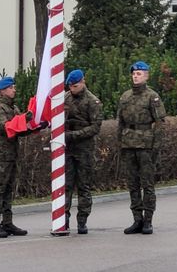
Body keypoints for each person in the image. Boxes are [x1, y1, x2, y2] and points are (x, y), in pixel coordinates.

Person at [0, 76, 45, 238]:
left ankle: (7, 223)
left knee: (8, 189)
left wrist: (36, 127)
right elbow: (6, 127)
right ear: (3, 90)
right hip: (1, 155)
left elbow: (20, 129)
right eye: (11, 87)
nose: (14, 90)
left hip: (12, 154)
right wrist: (24, 119)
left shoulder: (14, 108)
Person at [117, 61, 166, 235]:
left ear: (146, 76)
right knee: (133, 184)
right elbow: (120, 122)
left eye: (139, 73)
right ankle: (137, 219)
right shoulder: (125, 96)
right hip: (129, 144)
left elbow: (160, 123)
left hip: (146, 145)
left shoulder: (152, 97)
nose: (136, 76)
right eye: (134, 73)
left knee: (147, 184)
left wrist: (156, 147)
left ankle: (148, 220)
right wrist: (120, 144)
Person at [64, 69, 103, 234]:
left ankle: (82, 221)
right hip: (67, 149)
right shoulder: (65, 98)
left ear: (83, 82)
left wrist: (74, 135)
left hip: (84, 149)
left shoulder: (92, 102)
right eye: (71, 86)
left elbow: (95, 127)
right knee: (65, 186)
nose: (73, 88)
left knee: (84, 186)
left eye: (75, 85)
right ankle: (62, 219)